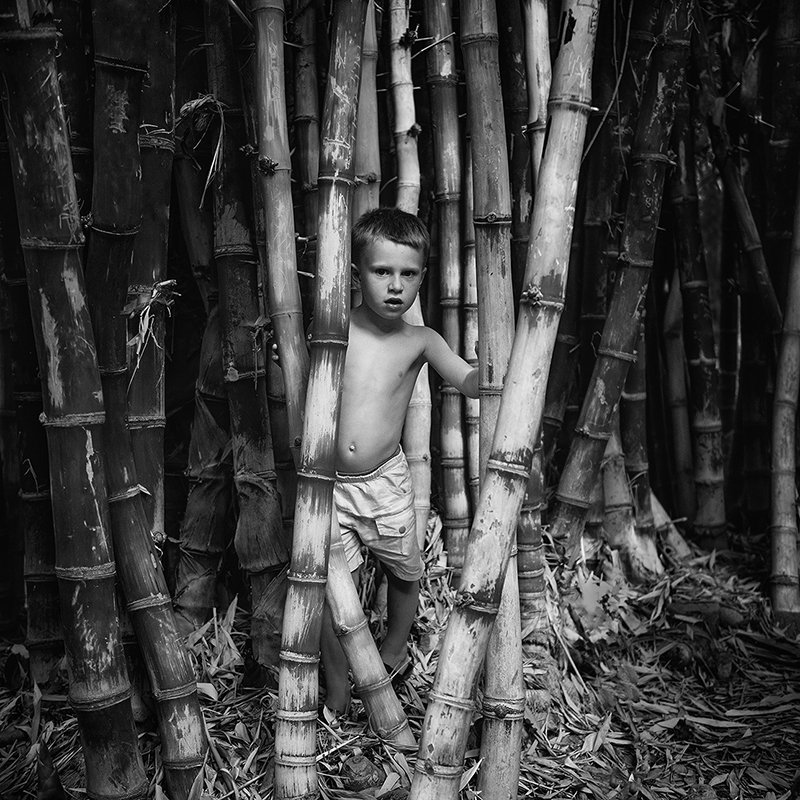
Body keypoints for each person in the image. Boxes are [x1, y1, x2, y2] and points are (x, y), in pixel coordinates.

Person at [317, 207, 479, 716]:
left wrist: (493, 361)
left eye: (408, 274)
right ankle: (338, 688)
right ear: (355, 273)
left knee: (405, 572)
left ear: (422, 278)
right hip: (327, 483)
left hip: (384, 482)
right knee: (330, 592)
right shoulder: (334, 329)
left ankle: (392, 649)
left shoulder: (420, 340)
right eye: (382, 271)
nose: (395, 285)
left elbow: (469, 381)